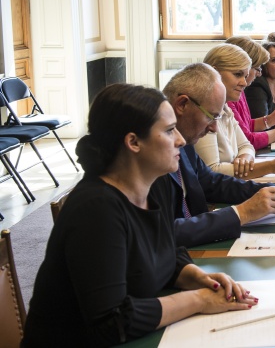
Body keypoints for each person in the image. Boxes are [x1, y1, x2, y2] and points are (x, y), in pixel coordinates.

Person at [22, 84, 257, 347]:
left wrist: (197, 277)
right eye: (169, 131)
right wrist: (199, 300)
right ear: (133, 142)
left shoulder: (152, 188)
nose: (180, 140)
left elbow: (166, 249)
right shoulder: (96, 209)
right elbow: (113, 322)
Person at [154, 63, 275, 248]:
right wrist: (242, 213)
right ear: (182, 104)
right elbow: (161, 233)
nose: (214, 128)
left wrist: (273, 192)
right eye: (210, 117)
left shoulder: (183, 139)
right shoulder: (148, 152)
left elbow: (211, 182)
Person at [195, 43, 275, 178]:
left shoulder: (225, 108)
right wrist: (271, 166)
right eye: (238, 74)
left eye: (245, 76)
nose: (245, 83)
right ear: (214, 73)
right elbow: (212, 172)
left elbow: (246, 145)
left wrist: (245, 158)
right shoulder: (202, 112)